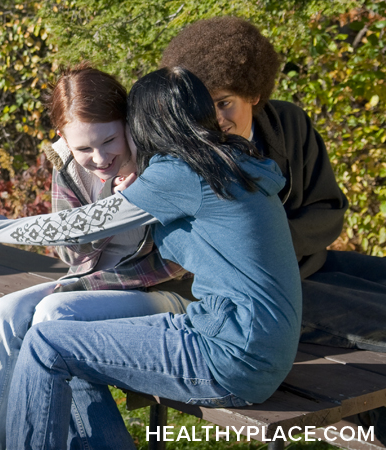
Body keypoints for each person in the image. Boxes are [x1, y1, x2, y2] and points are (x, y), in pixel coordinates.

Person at [0, 66, 302, 448]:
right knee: (68, 343)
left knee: (47, 346)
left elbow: (77, 226)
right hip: (241, 338)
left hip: (231, 353)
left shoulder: (179, 173)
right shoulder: (228, 159)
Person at [159, 15, 386, 441]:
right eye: (201, 107)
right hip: (248, 296)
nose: (214, 118)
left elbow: (329, 209)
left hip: (309, 262)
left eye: (225, 102)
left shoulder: (289, 125)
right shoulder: (182, 151)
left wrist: (273, 242)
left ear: (255, 94)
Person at [0, 65, 192, 450]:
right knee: (4, 314)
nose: (99, 157)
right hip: (92, 282)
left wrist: (138, 202)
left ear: (128, 124)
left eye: (109, 140)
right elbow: (67, 248)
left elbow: (181, 254)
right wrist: (107, 213)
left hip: (166, 292)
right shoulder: (67, 165)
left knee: (54, 317)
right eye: (83, 148)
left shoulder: (157, 160)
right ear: (63, 139)